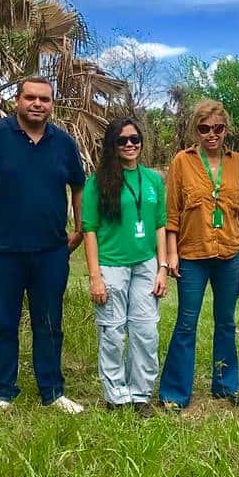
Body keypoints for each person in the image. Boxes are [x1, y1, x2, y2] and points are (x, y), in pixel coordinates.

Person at [0, 76, 87, 413]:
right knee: (4, 322)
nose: (37, 104)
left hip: (50, 252)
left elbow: (78, 186)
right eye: (30, 97)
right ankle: (3, 391)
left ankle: (53, 392)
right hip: (1, 251)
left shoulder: (64, 143)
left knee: (49, 322)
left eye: (44, 99)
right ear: (17, 100)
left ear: (52, 104)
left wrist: (81, 228)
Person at [157, 100, 239, 411]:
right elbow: (171, 212)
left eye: (218, 128)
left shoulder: (237, 162)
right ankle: (174, 393)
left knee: (226, 321)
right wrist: (171, 254)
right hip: (192, 254)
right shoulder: (181, 162)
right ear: (195, 130)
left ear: (226, 130)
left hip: (228, 253)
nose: (212, 134)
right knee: (187, 322)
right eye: (204, 128)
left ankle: (226, 386)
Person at [83, 118, 170, 415]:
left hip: (146, 265)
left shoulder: (154, 180)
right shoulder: (97, 182)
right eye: (122, 141)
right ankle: (116, 396)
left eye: (135, 139)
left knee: (146, 331)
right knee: (112, 332)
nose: (130, 144)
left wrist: (163, 267)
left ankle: (140, 394)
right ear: (113, 145)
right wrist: (95, 277)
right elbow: (90, 230)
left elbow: (160, 224)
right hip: (111, 266)